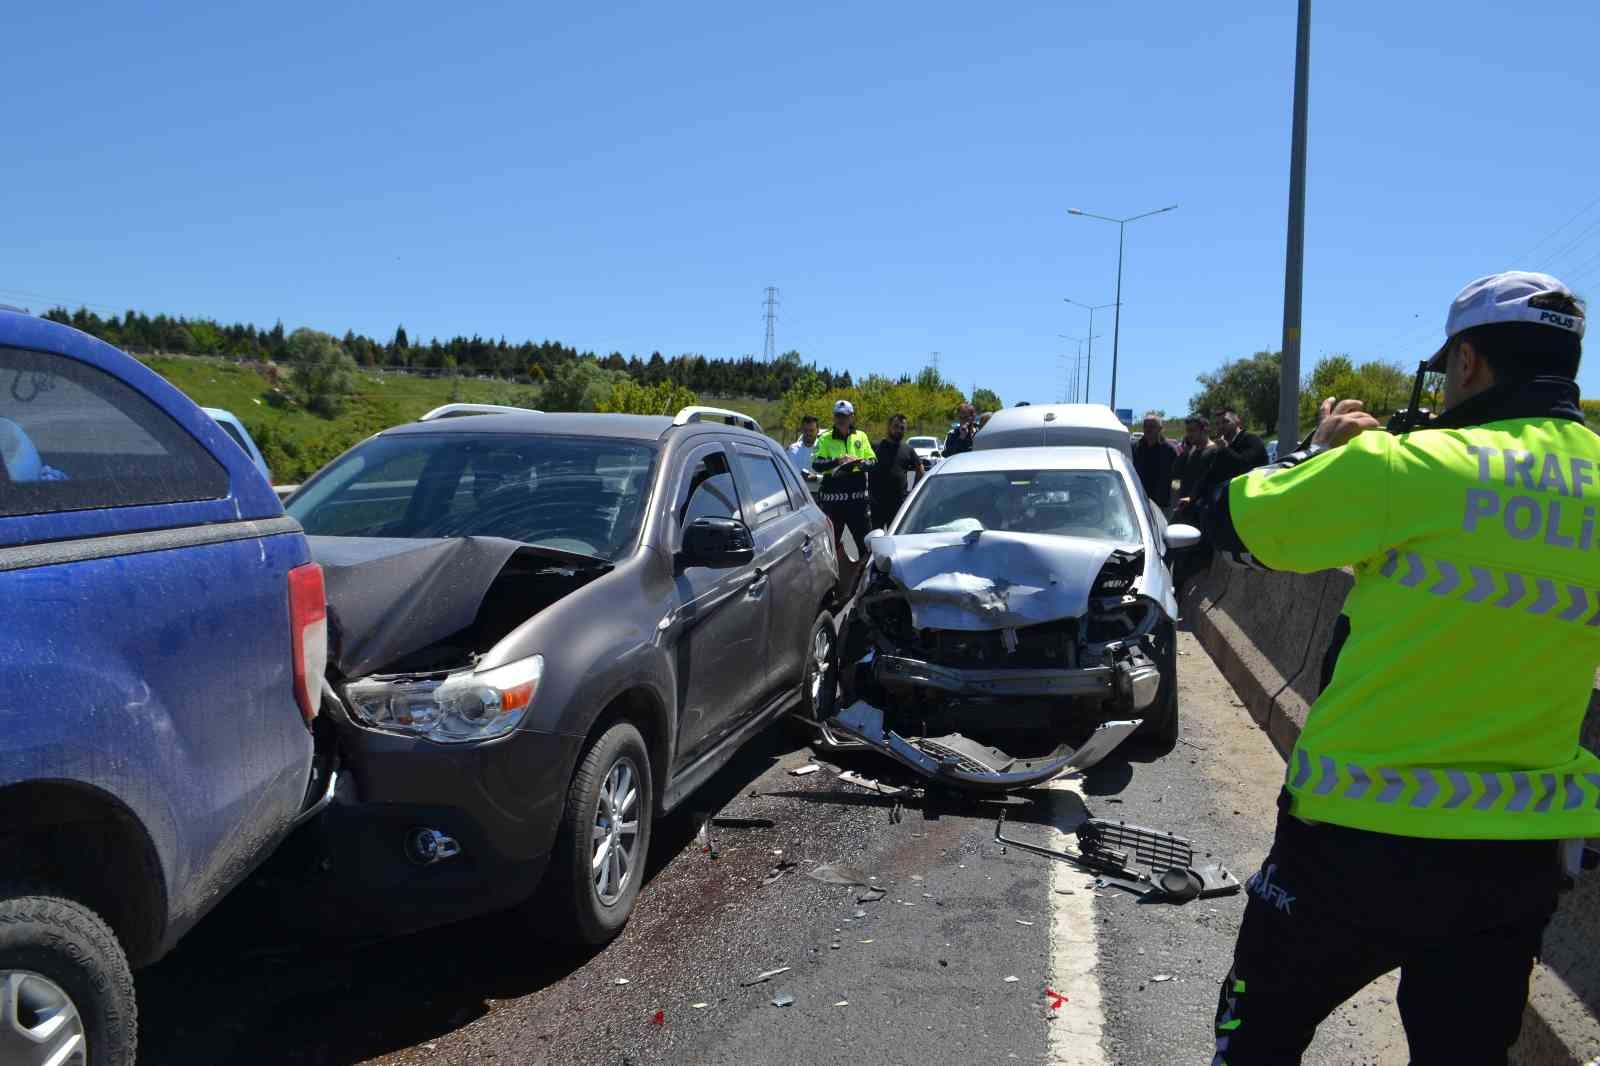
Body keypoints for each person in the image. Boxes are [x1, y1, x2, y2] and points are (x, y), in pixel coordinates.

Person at [1203, 271, 1599, 1065]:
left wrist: (1318, 454)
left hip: (1353, 845)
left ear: (1468, 363)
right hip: (1514, 855)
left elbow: (1236, 522)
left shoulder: (1407, 464)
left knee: (1258, 1040)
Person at [812, 399, 877, 578]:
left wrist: (861, 464)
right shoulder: (824, 438)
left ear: (852, 417)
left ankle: (866, 580)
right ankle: (829, 581)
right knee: (829, 546)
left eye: (845, 416)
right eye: (838, 416)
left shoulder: (861, 436)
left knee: (866, 545)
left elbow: (873, 460)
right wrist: (838, 461)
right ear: (833, 417)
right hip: (834, 506)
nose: (841, 419)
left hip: (858, 505)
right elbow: (817, 464)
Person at [1195, 407, 1268, 503]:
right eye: (1217, 424)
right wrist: (1192, 497)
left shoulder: (1252, 440)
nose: (1221, 426)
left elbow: (1244, 465)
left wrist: (1225, 449)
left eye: (1225, 422)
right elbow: (1211, 474)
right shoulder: (1222, 446)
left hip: (1251, 500)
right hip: (1228, 501)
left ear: (1237, 421)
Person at [870, 412, 922, 528]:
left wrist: (913, 491)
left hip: (899, 505)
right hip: (877, 504)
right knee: (875, 539)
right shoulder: (874, 446)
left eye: (902, 428)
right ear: (889, 427)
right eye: (896, 426)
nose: (899, 430)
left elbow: (920, 469)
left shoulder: (908, 449)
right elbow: (863, 467)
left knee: (894, 541)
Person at [1172, 414, 1217, 522]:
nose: (1189, 434)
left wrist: (1192, 498)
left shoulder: (1215, 452)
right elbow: (1176, 475)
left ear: (1204, 430)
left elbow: (1209, 481)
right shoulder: (1189, 452)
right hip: (1184, 509)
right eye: (1187, 431)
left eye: (1192, 430)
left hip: (1204, 512)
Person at [1131, 412, 1178, 508]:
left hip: (1161, 503)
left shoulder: (1169, 450)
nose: (1148, 429)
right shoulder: (1134, 448)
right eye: (1145, 426)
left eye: (1152, 426)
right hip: (1138, 500)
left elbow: (1176, 478)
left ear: (1160, 429)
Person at [787, 414, 822, 494]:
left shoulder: (824, 449)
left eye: (812, 430)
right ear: (802, 430)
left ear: (818, 430)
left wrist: (816, 477)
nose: (808, 434)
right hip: (798, 494)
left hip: (819, 494)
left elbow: (831, 476)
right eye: (806, 430)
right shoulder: (792, 450)